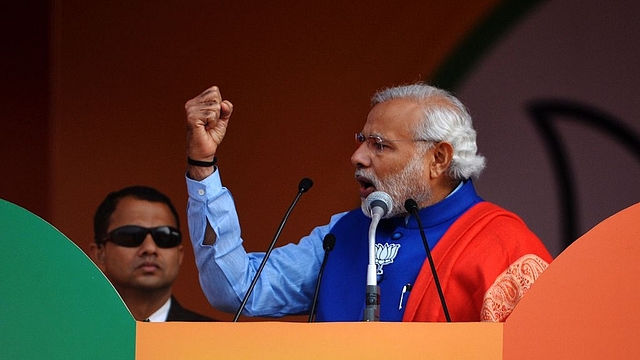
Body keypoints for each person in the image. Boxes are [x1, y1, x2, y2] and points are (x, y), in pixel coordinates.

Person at [184, 83, 553, 322]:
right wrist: (203, 169)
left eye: (379, 145)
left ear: (438, 159)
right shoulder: (344, 232)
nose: (357, 156)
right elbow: (236, 289)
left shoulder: (504, 245)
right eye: (362, 140)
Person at [89, 185, 214, 322]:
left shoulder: (213, 339)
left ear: (180, 255)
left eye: (164, 237)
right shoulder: (67, 333)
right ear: (99, 254)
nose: (150, 248)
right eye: (131, 236)